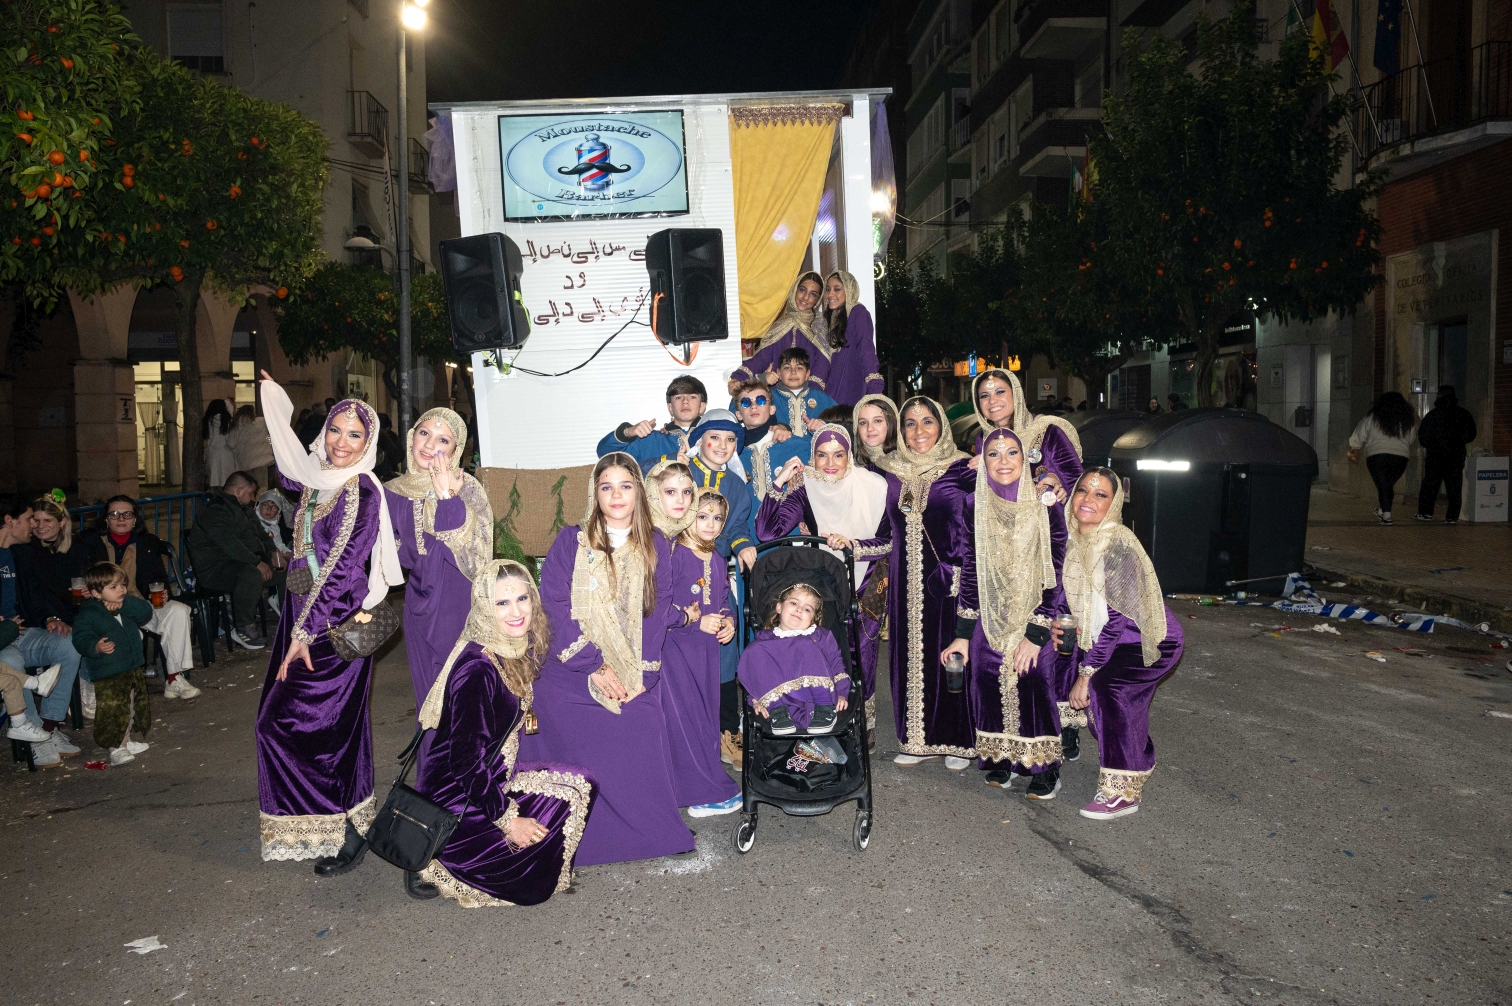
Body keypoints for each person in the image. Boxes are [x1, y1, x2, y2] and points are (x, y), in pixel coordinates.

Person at [254, 374, 404, 873]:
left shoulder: (361, 491)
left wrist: (304, 634)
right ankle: (343, 824)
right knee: (324, 726)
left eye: (354, 435)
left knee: (300, 724)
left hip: (330, 624)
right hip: (301, 615)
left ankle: (345, 826)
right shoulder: (318, 477)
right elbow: (288, 468)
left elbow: (341, 569)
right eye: (335, 430)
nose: (342, 442)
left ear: (369, 444)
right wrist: (275, 402)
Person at [519, 453, 697, 865]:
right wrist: (593, 666)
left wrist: (641, 677)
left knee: (643, 720)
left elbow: (656, 612)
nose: (616, 495)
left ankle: (648, 830)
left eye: (625, 486)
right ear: (594, 494)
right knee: (560, 712)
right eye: (606, 487)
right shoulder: (571, 541)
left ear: (639, 493)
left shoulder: (655, 544)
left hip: (629, 664)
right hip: (569, 665)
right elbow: (554, 606)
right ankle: (570, 828)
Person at [409, 560, 594, 906]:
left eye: (522, 598)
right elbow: (465, 762)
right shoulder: (478, 669)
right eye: (502, 603)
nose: (516, 611)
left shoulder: (510, 648)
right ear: (484, 608)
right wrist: (509, 820)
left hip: (492, 777)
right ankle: (438, 855)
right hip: (458, 799)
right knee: (534, 885)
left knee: (580, 785)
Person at [844, 397, 976, 768]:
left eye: (927, 422)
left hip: (949, 583)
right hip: (905, 586)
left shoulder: (962, 468)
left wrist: (1048, 482)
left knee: (952, 657)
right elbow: (886, 533)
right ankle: (917, 740)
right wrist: (853, 546)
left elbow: (999, 501)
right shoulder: (892, 471)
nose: (919, 431)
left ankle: (956, 741)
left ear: (942, 426)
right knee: (909, 659)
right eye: (910, 424)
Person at [967, 369, 1085, 759]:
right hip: (1008, 559)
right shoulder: (985, 441)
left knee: (1058, 641)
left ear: (1017, 392)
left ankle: (1063, 726)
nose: (993, 401)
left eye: (1000, 391)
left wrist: (1058, 486)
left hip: (1056, 549)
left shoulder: (1048, 432)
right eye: (984, 395)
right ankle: (1012, 738)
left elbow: (1078, 485)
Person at [945, 428, 1068, 798]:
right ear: (982, 461)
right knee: (985, 677)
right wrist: (962, 635)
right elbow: (970, 568)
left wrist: (1036, 634)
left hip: (1036, 612)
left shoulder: (1046, 503)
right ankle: (1002, 757)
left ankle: (1044, 766)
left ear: (1024, 458)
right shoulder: (973, 504)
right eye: (993, 454)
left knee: (1034, 680)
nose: (1003, 461)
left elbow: (1057, 569)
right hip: (991, 613)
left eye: (1012, 452)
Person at [1062, 467, 1184, 819]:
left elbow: (1116, 622)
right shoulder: (1072, 539)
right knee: (1103, 701)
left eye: (1100, 494)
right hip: (1110, 640)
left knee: (1108, 689)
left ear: (1113, 504)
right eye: (1083, 490)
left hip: (1149, 640)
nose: (1088, 499)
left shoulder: (1116, 546)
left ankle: (1121, 793)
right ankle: (1134, 757)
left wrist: (1086, 673)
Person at [758, 425, 888, 730]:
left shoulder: (874, 486)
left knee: (863, 653)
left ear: (849, 456)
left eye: (838, 455)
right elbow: (767, 532)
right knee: (829, 651)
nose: (830, 463)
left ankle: (864, 722)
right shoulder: (805, 489)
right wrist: (779, 481)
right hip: (825, 583)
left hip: (868, 577)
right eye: (822, 455)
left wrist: (852, 544)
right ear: (812, 458)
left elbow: (889, 540)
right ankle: (830, 717)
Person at [385, 407, 494, 714]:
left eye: (443, 440)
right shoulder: (392, 492)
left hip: (459, 599)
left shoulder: (465, 486)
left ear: (455, 450)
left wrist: (447, 497)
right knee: (428, 693)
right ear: (411, 438)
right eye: (424, 433)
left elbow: (475, 554)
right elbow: (394, 552)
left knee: (462, 690)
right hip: (419, 600)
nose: (430, 444)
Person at [655, 479, 741, 817]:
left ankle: (700, 783)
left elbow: (722, 600)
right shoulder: (674, 554)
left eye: (717, 518)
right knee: (686, 720)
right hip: (677, 651)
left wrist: (729, 621)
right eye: (702, 516)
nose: (710, 524)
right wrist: (693, 621)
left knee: (706, 718)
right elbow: (657, 606)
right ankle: (700, 791)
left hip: (706, 655)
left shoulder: (717, 558)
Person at [84, 496, 200, 699]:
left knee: (178, 611)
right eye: (114, 514)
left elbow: (158, 579)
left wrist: (163, 592)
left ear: (135, 519)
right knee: (126, 631)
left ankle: (174, 678)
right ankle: (117, 685)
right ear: (106, 519)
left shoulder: (147, 542)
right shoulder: (91, 543)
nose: (121, 519)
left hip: (140, 604)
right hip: (105, 607)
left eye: (127, 514)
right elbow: (83, 577)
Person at [0, 494, 83, 767]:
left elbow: (36, 592)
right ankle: (35, 736)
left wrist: (50, 617)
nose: (34, 526)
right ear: (9, 521)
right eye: (29, 519)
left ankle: (49, 725)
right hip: (4, 641)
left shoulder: (16, 553)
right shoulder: (20, 551)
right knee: (12, 661)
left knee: (67, 642)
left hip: (19, 632)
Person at [70, 562, 155, 766]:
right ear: (96, 593)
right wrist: (95, 646)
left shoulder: (125, 605)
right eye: (113, 587)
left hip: (130, 667)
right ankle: (116, 747)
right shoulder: (89, 613)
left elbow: (145, 612)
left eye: (122, 585)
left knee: (131, 706)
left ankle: (126, 740)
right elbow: (80, 638)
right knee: (114, 710)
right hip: (109, 671)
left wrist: (124, 604)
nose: (121, 590)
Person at [739, 582, 850, 735]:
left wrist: (842, 693)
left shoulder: (820, 636)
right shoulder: (764, 641)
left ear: (813, 619)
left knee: (804, 643)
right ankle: (777, 710)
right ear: (779, 607)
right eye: (793, 603)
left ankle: (824, 706)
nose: (799, 609)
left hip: (816, 701)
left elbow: (837, 666)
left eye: (807, 609)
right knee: (754, 650)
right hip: (782, 705)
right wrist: (756, 699)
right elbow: (756, 671)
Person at [186, 471, 274, 649]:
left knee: (288, 568)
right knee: (251, 574)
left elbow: (261, 535)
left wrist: (274, 553)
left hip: (239, 562)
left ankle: (291, 615)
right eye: (251, 493)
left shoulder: (244, 509)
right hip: (215, 569)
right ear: (239, 490)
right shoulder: (215, 510)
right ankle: (243, 628)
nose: (253, 499)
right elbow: (231, 545)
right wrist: (257, 562)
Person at [729, 272, 832, 394]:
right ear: (794, 290)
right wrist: (739, 377)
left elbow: (822, 366)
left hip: (809, 394)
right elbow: (762, 359)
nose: (805, 297)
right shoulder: (780, 325)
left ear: (818, 300)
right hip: (778, 394)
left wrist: (808, 394)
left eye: (813, 294)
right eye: (802, 290)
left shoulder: (819, 325)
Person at [685, 409, 759, 571]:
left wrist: (743, 545)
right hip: (679, 560)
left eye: (730, 439)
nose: (723, 445)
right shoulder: (681, 472)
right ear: (700, 440)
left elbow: (737, 525)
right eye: (715, 437)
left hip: (716, 563)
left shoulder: (737, 485)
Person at [597, 375, 708, 468]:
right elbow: (605, 454)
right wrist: (627, 433)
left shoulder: (713, 437)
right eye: (678, 397)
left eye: (692, 397)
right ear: (670, 408)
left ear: (702, 406)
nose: (685, 402)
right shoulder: (650, 440)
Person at [1347, 391, 1416, 525]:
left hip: (1376, 455)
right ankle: (1382, 511)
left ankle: (1387, 517)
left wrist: (1354, 446)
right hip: (1400, 457)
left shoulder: (1372, 416)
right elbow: (1411, 439)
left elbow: (1360, 433)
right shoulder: (1407, 419)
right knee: (1387, 485)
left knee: (1383, 485)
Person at [734, 378, 805, 500]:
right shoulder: (733, 454)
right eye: (746, 402)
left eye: (760, 400)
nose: (753, 406)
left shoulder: (798, 446)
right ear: (739, 414)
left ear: (772, 409)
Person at [820, 270, 884, 407]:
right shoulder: (829, 319)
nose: (830, 294)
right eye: (828, 289)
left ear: (849, 290)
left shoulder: (858, 312)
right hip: (830, 390)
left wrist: (874, 386)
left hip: (849, 387)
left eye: (837, 289)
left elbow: (865, 348)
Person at [1415, 386, 1477, 524]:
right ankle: (1452, 517)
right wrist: (1458, 441)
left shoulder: (1432, 415)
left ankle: (1425, 513)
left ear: (1439, 397)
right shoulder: (1463, 414)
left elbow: (1423, 436)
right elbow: (1471, 434)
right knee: (1454, 487)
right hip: (1455, 456)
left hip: (1435, 456)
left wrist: (1432, 444)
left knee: (1430, 485)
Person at [771, 348, 839, 435]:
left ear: (807, 374)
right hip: (780, 443)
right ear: (779, 373)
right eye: (787, 368)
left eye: (799, 368)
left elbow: (841, 420)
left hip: (813, 444)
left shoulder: (820, 397)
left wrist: (823, 426)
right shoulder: (769, 396)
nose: (793, 372)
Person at [226, 404, 274, 487]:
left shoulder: (235, 427)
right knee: (262, 488)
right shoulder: (261, 422)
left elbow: (231, 444)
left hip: (245, 466)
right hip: (263, 464)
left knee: (249, 489)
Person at [203, 399, 236, 488]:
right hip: (226, 451)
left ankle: (215, 493)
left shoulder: (207, 420)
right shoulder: (228, 420)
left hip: (212, 451)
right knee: (226, 477)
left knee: (214, 477)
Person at [375, 413, 404, 481]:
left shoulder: (381, 434)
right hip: (387, 472)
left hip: (384, 472)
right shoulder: (388, 435)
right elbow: (400, 455)